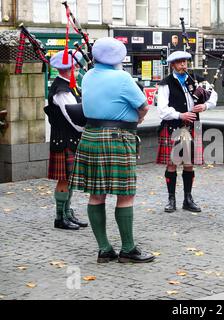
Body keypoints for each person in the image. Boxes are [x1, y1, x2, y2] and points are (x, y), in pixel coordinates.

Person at [69, 37, 155, 263]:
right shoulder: (123, 78)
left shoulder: (87, 76)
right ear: (118, 57)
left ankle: (104, 249)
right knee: (125, 194)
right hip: (117, 138)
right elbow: (143, 107)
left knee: (96, 194)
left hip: (90, 136)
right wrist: (137, 119)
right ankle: (128, 249)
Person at [156, 51, 217, 213]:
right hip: (173, 126)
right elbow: (162, 110)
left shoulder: (196, 79)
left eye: (185, 62)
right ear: (172, 65)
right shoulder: (165, 83)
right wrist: (180, 114)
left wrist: (205, 106)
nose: (183, 65)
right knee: (172, 164)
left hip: (193, 127)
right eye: (179, 62)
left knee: (189, 165)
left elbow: (213, 96)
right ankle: (171, 199)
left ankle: (188, 199)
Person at [45, 50, 88, 231]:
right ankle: (59, 217)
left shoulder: (67, 86)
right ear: (68, 69)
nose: (77, 69)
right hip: (63, 139)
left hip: (68, 138)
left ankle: (67, 213)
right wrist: (84, 129)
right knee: (64, 180)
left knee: (69, 179)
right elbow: (72, 116)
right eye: (75, 67)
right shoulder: (61, 90)